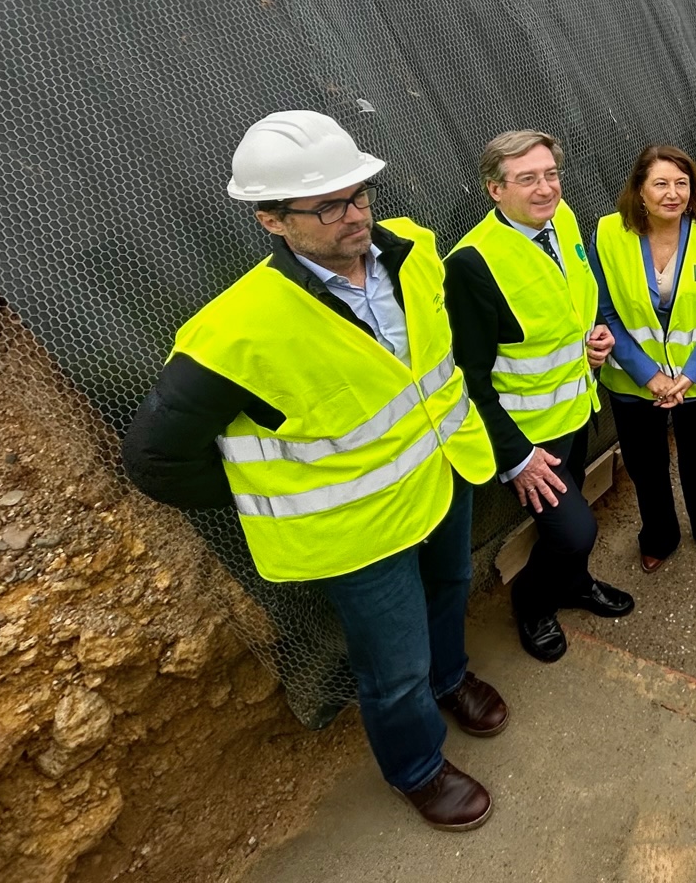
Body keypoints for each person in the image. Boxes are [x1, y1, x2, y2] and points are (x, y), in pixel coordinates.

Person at [122, 110, 505, 832]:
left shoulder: (415, 252)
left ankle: (451, 678)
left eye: (358, 194)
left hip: (441, 476)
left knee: (452, 587)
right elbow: (153, 458)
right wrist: (267, 487)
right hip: (354, 530)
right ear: (270, 220)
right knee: (391, 666)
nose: (353, 215)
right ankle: (417, 768)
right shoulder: (237, 332)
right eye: (327, 207)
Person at [444, 130, 634, 666]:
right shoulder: (473, 264)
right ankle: (532, 604)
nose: (545, 188)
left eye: (550, 174)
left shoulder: (561, 219)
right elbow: (469, 377)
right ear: (494, 190)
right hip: (531, 437)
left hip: (577, 410)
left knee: (572, 534)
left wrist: (595, 333)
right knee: (575, 532)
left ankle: (573, 586)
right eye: (527, 179)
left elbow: (572, 298)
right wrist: (517, 457)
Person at [589, 145, 696, 572]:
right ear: (640, 191)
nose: (672, 193)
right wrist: (649, 375)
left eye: (681, 183)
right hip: (634, 380)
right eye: (660, 183)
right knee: (645, 463)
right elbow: (605, 312)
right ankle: (659, 535)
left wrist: (689, 375)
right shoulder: (608, 235)